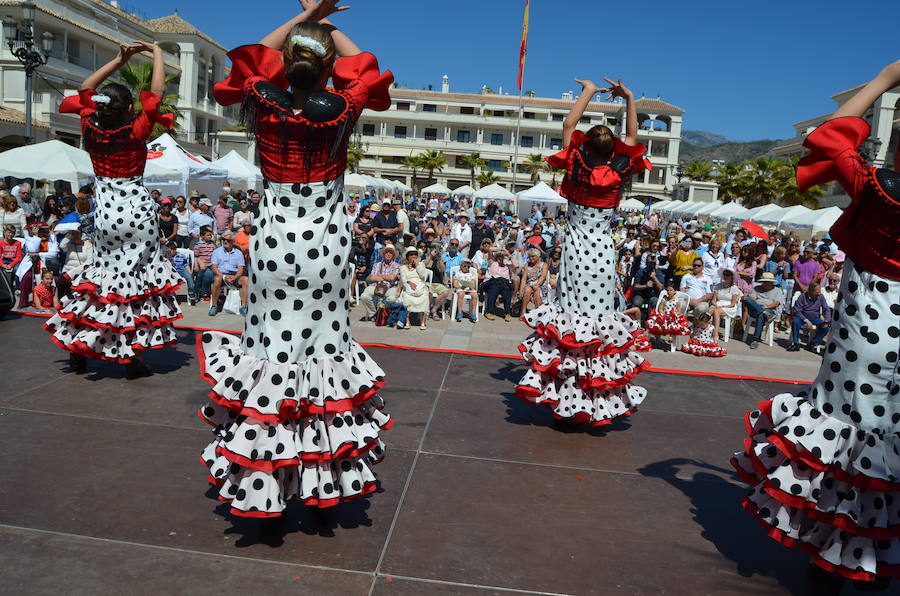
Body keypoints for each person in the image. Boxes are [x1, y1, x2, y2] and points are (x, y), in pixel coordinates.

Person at [196, 0, 394, 520]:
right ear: (329, 68)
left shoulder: (262, 99)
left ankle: (264, 474)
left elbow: (252, 61)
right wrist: (329, 25)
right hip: (325, 244)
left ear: (289, 61)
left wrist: (305, 19)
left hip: (275, 241)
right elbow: (367, 73)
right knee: (322, 347)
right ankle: (323, 476)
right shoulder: (343, 108)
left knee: (271, 349)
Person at [731, 60, 900, 590]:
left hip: (859, 338)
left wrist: (883, 81)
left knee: (843, 438)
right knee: (886, 443)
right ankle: (873, 555)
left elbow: (827, 137)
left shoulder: (876, 188)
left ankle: (830, 551)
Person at [516, 77, 651, 425]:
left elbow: (568, 124)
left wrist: (588, 91)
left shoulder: (576, 165)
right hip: (604, 254)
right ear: (613, 150)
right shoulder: (621, 170)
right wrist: (630, 97)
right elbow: (633, 138)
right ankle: (599, 401)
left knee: (573, 323)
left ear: (585, 147)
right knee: (600, 324)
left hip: (576, 253)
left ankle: (568, 398)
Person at [44, 40, 181, 378]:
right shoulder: (136, 129)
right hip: (136, 214)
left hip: (106, 215)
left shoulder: (90, 126)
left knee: (100, 282)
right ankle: (131, 356)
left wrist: (120, 60)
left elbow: (85, 88)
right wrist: (158, 53)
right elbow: (158, 92)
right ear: (129, 108)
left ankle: (78, 344)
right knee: (134, 285)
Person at [207, 231, 248, 316]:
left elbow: (241, 269)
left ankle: (243, 306)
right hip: (221, 274)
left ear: (233, 242)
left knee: (245, 280)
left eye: (228, 240)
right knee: (217, 279)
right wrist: (224, 276)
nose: (225, 242)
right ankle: (214, 306)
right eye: (224, 240)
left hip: (234, 275)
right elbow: (214, 268)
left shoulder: (238, 253)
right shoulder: (217, 252)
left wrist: (235, 277)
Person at [743, 271, 784, 349]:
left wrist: (767, 307)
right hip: (756, 308)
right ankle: (764, 312)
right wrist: (758, 305)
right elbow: (753, 299)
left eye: (767, 282)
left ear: (771, 282)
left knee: (761, 315)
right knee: (747, 299)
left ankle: (755, 339)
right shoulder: (757, 288)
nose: (765, 284)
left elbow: (777, 303)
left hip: (770, 309)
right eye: (764, 282)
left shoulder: (777, 290)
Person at [787, 281, 831, 351]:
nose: (819, 293)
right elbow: (797, 311)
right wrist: (806, 320)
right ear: (811, 291)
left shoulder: (821, 297)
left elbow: (826, 309)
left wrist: (827, 321)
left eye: (819, 291)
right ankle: (795, 343)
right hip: (802, 317)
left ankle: (813, 343)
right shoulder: (802, 297)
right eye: (817, 292)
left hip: (815, 318)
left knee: (826, 328)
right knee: (795, 321)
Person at [360, 245, 401, 320]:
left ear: (393, 255)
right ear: (384, 254)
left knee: (392, 299)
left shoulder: (397, 265)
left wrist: (380, 276)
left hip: (390, 288)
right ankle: (374, 314)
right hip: (376, 286)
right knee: (364, 296)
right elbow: (372, 278)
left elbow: (392, 278)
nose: (388, 254)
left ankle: (384, 313)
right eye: (387, 252)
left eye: (390, 253)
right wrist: (387, 277)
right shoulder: (377, 265)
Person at [399, 247, 429, 329]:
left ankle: (423, 322)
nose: (413, 256)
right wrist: (409, 283)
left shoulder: (421, 264)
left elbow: (423, 276)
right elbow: (404, 279)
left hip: (420, 284)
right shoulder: (403, 267)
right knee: (406, 296)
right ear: (407, 256)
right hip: (408, 285)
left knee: (425, 295)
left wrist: (417, 265)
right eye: (411, 254)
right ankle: (407, 321)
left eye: (415, 254)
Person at [708, 269, 742, 339]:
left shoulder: (734, 288)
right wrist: (716, 305)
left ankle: (715, 334)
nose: (725, 276)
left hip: (729, 306)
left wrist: (722, 306)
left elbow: (733, 304)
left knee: (717, 311)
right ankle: (705, 330)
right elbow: (713, 300)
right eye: (724, 274)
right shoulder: (718, 286)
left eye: (728, 275)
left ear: (731, 277)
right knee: (709, 310)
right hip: (718, 304)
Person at [482, 250, 514, 321]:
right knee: (494, 289)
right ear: (496, 257)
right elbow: (490, 249)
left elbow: (516, 266)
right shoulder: (492, 263)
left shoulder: (507, 266)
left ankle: (507, 313)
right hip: (493, 282)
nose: (500, 258)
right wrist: (502, 249)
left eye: (502, 257)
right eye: (498, 257)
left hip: (504, 283)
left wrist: (508, 254)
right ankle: (489, 311)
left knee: (507, 292)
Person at [518, 248, 547, 316]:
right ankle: (523, 310)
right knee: (527, 289)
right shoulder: (527, 265)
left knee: (537, 290)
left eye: (533, 256)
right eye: (529, 256)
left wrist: (537, 284)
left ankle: (537, 311)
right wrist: (521, 289)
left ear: (538, 256)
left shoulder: (544, 265)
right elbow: (524, 279)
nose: (531, 258)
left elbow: (543, 277)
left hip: (540, 284)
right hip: (529, 284)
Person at [191, 226, 216, 300]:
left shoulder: (212, 244)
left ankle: (205, 292)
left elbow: (217, 252)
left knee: (211, 276)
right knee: (201, 277)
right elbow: (195, 256)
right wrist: (196, 266)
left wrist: (214, 242)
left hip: (211, 265)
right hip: (202, 265)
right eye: (208, 235)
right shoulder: (198, 244)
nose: (210, 237)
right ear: (202, 236)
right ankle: (198, 292)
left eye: (210, 235)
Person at [453, 257, 479, 322]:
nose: (466, 268)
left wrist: (470, 285)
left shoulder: (471, 274)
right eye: (465, 266)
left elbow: (474, 285)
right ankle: (459, 312)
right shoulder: (458, 274)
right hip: (461, 289)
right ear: (461, 266)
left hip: (469, 289)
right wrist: (461, 286)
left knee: (475, 295)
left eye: (468, 266)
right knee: (461, 294)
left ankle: (473, 312)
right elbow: (455, 285)